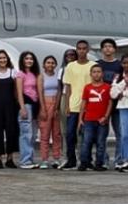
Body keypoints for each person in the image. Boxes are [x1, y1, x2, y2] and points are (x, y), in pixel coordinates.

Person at [61, 40, 96, 170]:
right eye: (79, 48)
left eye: (84, 48)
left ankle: (86, 160)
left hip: (88, 105)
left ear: (88, 50)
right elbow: (68, 86)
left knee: (86, 136)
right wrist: (66, 105)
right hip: (74, 104)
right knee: (70, 133)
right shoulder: (70, 66)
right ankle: (71, 159)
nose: (81, 51)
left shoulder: (93, 65)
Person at [78, 64, 112, 170]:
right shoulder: (87, 87)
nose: (96, 74)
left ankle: (99, 163)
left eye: (98, 71)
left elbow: (110, 103)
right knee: (86, 142)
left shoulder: (107, 87)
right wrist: (80, 119)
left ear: (102, 74)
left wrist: (106, 117)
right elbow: (83, 103)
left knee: (101, 142)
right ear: (91, 74)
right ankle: (84, 162)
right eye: (94, 72)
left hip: (102, 120)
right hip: (88, 119)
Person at [16, 51, 40, 169]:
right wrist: (22, 107)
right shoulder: (20, 74)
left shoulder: (34, 74)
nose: (29, 61)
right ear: (22, 61)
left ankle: (30, 159)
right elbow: (19, 92)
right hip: (26, 105)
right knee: (26, 134)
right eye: (27, 59)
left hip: (35, 105)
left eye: (31, 59)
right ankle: (24, 161)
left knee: (33, 134)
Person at [38, 55, 63, 168]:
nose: (50, 65)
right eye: (48, 62)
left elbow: (59, 91)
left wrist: (57, 107)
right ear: (44, 65)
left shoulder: (57, 77)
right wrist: (43, 109)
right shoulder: (41, 76)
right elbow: (40, 93)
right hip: (45, 104)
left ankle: (57, 158)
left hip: (55, 104)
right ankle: (44, 159)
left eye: (53, 63)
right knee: (45, 133)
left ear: (55, 65)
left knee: (56, 134)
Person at [97, 38, 122, 147]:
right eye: (105, 46)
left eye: (110, 46)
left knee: (120, 133)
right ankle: (103, 160)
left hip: (117, 104)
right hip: (102, 103)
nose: (107, 49)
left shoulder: (120, 65)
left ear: (114, 49)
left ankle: (120, 160)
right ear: (102, 49)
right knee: (101, 134)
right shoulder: (97, 64)